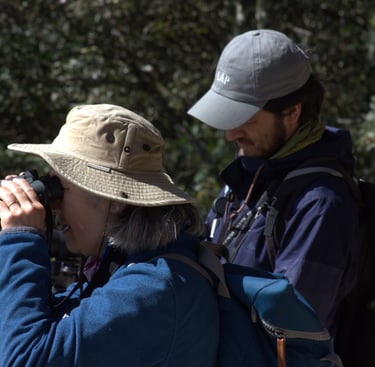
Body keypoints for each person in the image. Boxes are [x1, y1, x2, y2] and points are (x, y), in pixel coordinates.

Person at [0, 104, 219, 366]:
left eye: (60, 187)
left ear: (115, 200)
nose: (52, 205)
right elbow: (19, 324)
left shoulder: (154, 287)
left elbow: (24, 359)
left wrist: (20, 240)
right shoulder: (120, 268)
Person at [188, 29, 360, 338]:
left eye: (246, 119)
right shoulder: (244, 182)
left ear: (292, 112)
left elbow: (289, 332)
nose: (230, 134)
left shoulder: (320, 205)